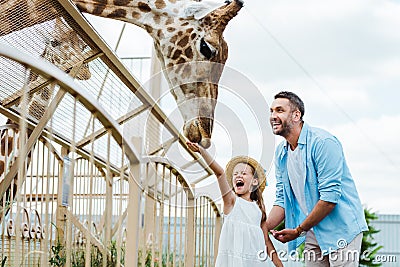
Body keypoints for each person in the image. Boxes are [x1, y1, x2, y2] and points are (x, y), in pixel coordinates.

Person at [265, 91, 368, 266]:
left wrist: (299, 230)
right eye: (271, 111)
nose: (273, 116)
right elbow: (282, 199)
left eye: (280, 110)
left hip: (342, 228)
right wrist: (260, 227)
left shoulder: (323, 143)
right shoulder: (281, 153)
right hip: (313, 229)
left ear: (296, 115)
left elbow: (329, 199)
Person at [186, 141, 283, 267]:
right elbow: (220, 173)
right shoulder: (231, 202)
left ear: (254, 181)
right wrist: (202, 152)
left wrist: (280, 265)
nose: (238, 176)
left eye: (243, 173)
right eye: (235, 174)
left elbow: (266, 241)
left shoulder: (259, 210)